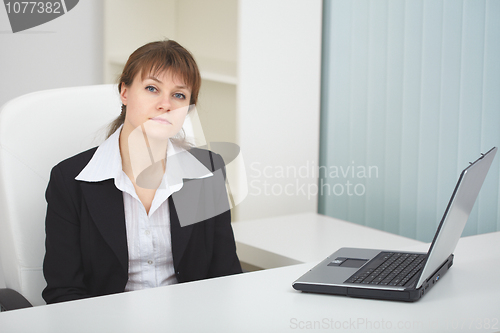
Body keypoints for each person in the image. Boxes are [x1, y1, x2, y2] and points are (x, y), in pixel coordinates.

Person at [42, 40, 242, 304]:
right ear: (124, 92)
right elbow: (64, 292)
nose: (165, 104)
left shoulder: (206, 171)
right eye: (151, 88)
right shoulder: (70, 181)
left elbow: (225, 276)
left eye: (179, 95)